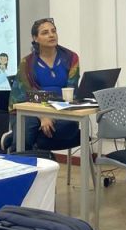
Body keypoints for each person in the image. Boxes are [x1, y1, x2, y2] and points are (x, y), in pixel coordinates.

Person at [10, 17, 81, 150]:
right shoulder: (27, 63)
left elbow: (71, 90)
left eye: (53, 31)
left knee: (68, 126)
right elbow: (25, 96)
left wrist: (53, 114)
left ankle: (15, 139)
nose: (51, 35)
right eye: (45, 32)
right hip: (31, 109)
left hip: (61, 110)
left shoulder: (71, 58)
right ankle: (20, 146)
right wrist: (43, 115)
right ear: (35, 38)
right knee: (25, 132)